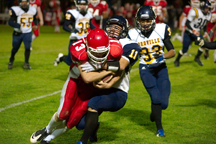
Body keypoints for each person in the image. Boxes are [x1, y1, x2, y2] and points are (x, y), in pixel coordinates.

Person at [30, 28, 123, 144]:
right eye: (95, 52)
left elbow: (121, 68)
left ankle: (47, 140)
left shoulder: (115, 49)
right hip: (75, 81)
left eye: (102, 52)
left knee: (72, 121)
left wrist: (108, 74)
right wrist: (108, 70)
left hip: (92, 89)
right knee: (63, 113)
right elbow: (87, 78)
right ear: (87, 47)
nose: (99, 56)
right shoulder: (79, 50)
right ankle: (47, 129)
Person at [76, 15, 142, 144]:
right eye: (110, 27)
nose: (112, 30)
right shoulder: (101, 41)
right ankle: (93, 129)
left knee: (94, 104)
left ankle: (82, 141)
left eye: (117, 27)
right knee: (80, 124)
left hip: (117, 91)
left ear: (124, 29)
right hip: (96, 88)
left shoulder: (130, 45)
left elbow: (121, 65)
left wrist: (98, 63)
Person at [128, 5, 176, 137]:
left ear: (153, 20)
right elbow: (130, 54)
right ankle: (159, 129)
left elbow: (172, 51)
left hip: (161, 68)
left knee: (164, 104)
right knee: (155, 97)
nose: (145, 24)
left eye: (147, 20)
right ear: (138, 21)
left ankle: (155, 113)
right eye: (142, 21)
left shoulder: (161, 29)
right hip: (146, 69)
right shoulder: (133, 34)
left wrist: (163, 56)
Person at [53, 0, 93, 67]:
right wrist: (73, 30)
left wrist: (99, 31)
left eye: (84, 5)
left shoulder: (89, 14)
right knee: (70, 62)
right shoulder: (72, 13)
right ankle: (61, 57)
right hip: (75, 40)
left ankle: (82, 75)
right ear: (77, 5)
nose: (82, 6)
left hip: (85, 40)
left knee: (85, 58)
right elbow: (65, 26)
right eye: (80, 4)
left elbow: (91, 25)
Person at [174, 0, 212, 67]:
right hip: (189, 33)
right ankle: (177, 60)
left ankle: (197, 57)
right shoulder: (195, 11)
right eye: (206, 8)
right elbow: (187, 23)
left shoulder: (209, 15)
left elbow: (204, 25)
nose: (207, 10)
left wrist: (205, 32)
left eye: (208, 8)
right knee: (184, 50)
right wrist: (193, 30)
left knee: (203, 45)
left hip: (197, 33)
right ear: (202, 7)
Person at [8, 0, 38, 70]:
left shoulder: (33, 9)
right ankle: (11, 59)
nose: (24, 4)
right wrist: (17, 26)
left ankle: (26, 63)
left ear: (28, 2)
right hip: (17, 33)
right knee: (15, 49)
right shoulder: (15, 10)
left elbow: (35, 19)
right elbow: (10, 22)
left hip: (28, 32)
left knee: (27, 48)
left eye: (25, 2)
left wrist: (35, 25)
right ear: (19, 3)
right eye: (22, 2)